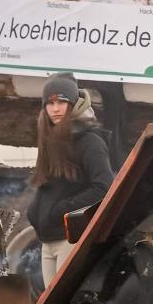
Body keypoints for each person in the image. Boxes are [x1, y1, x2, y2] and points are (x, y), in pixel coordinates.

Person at [28, 74, 114, 288]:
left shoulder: (90, 141)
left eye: (62, 102)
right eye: (50, 103)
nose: (55, 108)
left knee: (63, 299)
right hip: (47, 239)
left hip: (70, 238)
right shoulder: (49, 137)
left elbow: (104, 187)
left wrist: (62, 210)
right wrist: (34, 211)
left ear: (74, 104)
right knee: (49, 303)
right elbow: (49, 186)